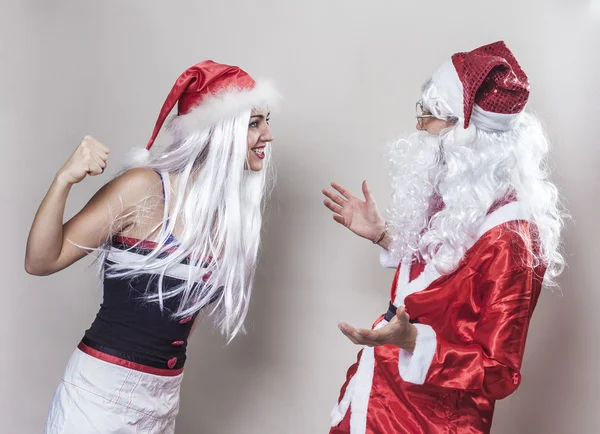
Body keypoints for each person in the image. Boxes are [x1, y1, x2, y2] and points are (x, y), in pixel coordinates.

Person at [25, 60, 280, 433]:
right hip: (99, 396)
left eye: (266, 121)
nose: (268, 135)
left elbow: (180, 314)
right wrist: (64, 179)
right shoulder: (143, 188)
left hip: (163, 398)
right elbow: (40, 260)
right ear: (217, 131)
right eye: (253, 123)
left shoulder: (226, 220)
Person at [322, 41, 565, 434]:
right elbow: (448, 277)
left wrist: (414, 340)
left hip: (431, 423)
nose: (420, 127)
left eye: (430, 116)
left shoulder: (513, 238)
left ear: (465, 133)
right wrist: (385, 236)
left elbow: (500, 371)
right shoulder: (463, 194)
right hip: (378, 399)